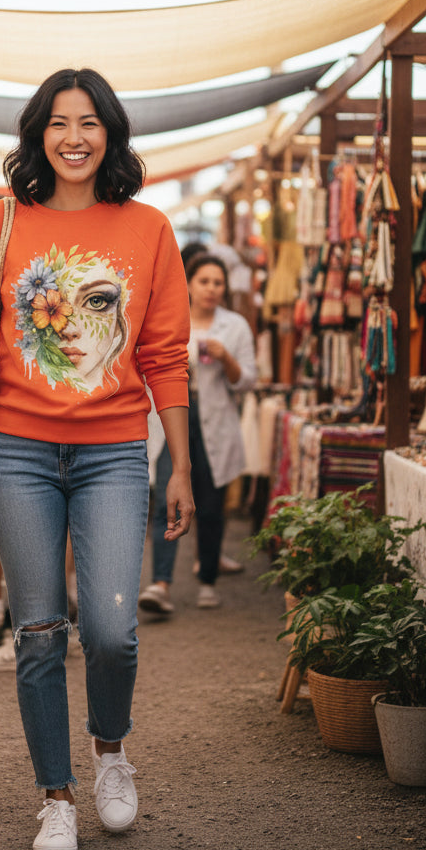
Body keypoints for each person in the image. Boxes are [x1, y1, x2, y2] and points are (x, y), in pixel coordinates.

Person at [0, 67, 194, 850]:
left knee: (109, 629)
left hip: (112, 450)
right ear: (38, 133)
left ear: (112, 133)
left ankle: (110, 751)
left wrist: (177, 462)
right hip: (14, 453)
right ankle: (56, 797)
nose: (74, 137)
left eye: (90, 122)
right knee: (38, 630)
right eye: (59, 122)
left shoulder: (149, 229)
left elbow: (166, 353)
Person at [139, 252, 256, 615]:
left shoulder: (235, 326)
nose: (211, 289)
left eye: (218, 283)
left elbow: (247, 382)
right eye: (204, 281)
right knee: (165, 503)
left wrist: (226, 359)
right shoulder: (169, 319)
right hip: (171, 422)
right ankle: (161, 584)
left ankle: (207, 580)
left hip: (214, 425)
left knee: (209, 504)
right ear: (189, 283)